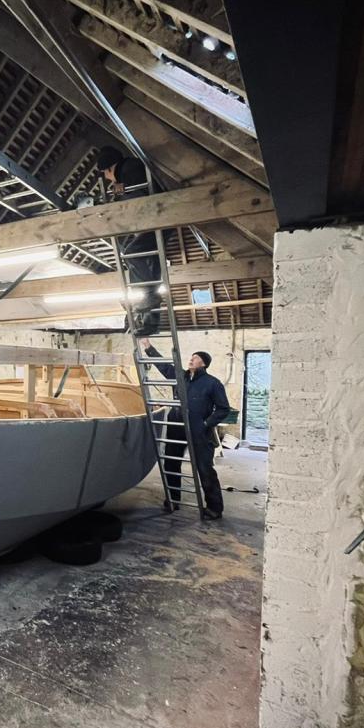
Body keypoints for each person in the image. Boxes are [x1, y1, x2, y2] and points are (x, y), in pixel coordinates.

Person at [139, 339, 230, 518]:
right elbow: (164, 366)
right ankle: (173, 499)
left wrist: (206, 424)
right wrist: (148, 347)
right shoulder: (180, 377)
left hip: (199, 430)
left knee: (204, 468)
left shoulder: (213, 383)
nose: (191, 359)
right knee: (171, 463)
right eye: (191, 357)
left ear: (203, 363)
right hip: (177, 426)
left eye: (195, 358)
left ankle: (214, 508)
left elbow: (223, 409)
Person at [96, 146, 162, 335]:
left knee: (132, 253)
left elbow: (139, 193)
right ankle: (150, 323)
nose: (107, 178)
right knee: (147, 270)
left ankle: (149, 296)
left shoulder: (131, 167)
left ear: (110, 167)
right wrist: (118, 192)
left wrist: (119, 192)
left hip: (158, 218)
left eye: (105, 173)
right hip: (154, 221)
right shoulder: (127, 172)